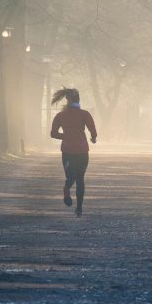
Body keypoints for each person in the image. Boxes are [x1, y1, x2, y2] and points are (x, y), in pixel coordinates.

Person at [50, 87, 97, 216]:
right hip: (82, 151)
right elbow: (92, 130)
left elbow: (53, 134)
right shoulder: (85, 114)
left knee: (70, 177)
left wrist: (65, 136)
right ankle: (79, 208)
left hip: (67, 151)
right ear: (78, 100)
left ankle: (66, 189)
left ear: (67, 100)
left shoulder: (60, 116)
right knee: (80, 178)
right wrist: (93, 138)